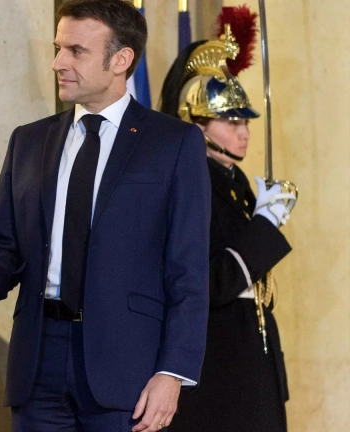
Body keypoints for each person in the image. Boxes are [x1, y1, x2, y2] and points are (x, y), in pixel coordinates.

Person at [0, 1, 210, 431]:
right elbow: (5, 248)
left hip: (128, 371)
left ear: (121, 60)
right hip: (37, 365)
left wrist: (172, 372)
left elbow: (188, 270)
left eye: (76, 51)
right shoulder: (29, 141)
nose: (57, 63)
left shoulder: (174, 143)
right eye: (58, 48)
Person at [158, 7, 295, 431]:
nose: (244, 132)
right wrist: (265, 226)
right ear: (196, 125)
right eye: (230, 120)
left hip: (250, 361)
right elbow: (212, 282)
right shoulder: (191, 182)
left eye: (245, 121)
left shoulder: (235, 182)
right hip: (218, 370)